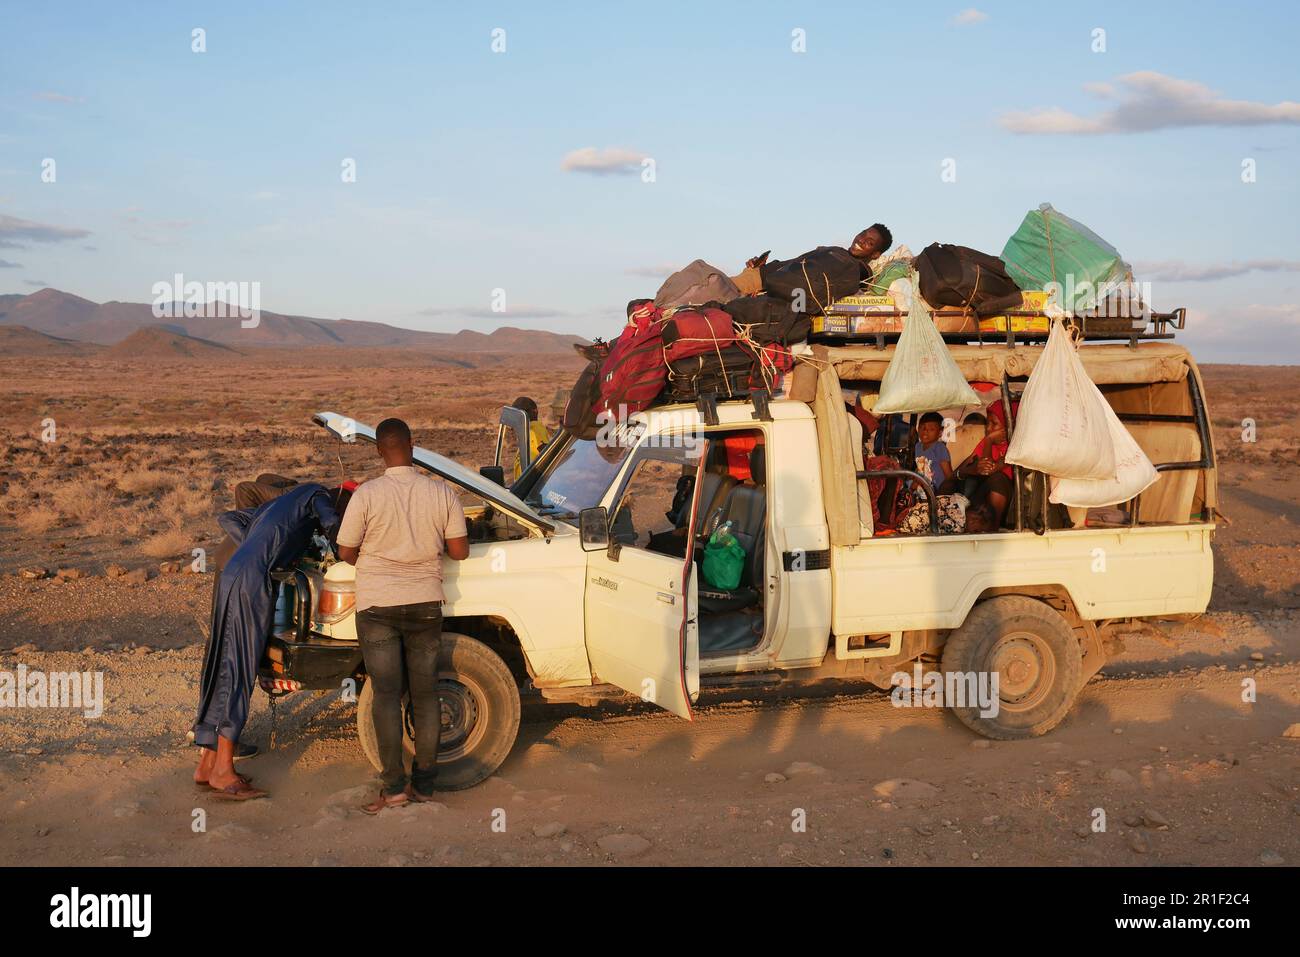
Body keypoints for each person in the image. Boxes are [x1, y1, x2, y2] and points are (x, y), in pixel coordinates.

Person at [335, 418, 470, 812]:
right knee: (426, 695)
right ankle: (425, 786)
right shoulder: (442, 492)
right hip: (425, 603)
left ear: (379, 450)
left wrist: (378, 561)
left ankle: (394, 788)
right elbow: (459, 551)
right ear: (412, 444)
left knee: (386, 696)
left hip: (377, 606)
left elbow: (345, 551)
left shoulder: (366, 494)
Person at [193, 482, 346, 800]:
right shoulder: (318, 495)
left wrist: (253, 546)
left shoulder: (272, 507)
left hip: (232, 572)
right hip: (252, 580)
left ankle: (206, 764)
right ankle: (223, 770)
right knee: (238, 667)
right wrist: (342, 551)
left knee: (221, 660)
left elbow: (229, 519)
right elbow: (332, 524)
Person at [731, 223, 894, 295]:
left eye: (869, 242)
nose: (860, 240)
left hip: (762, 283)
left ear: (875, 254)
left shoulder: (858, 270)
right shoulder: (837, 253)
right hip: (759, 275)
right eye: (862, 234)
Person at [953, 399, 1019, 528]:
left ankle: (993, 527)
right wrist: (967, 471)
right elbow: (962, 468)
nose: (988, 429)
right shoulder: (985, 442)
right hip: (979, 500)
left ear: (1009, 425)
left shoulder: (1015, 447)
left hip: (1008, 504)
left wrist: (989, 440)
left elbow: (987, 470)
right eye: (987, 423)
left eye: (994, 424)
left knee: (998, 479)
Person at [510, 396, 552, 481]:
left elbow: (545, 455)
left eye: (522, 413)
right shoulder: (527, 430)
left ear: (535, 411)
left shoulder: (535, 429)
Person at [913, 412, 953, 489]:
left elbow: (948, 475)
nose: (925, 431)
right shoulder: (918, 446)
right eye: (922, 427)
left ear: (940, 433)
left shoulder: (939, 448)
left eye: (931, 429)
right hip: (922, 488)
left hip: (937, 490)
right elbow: (919, 468)